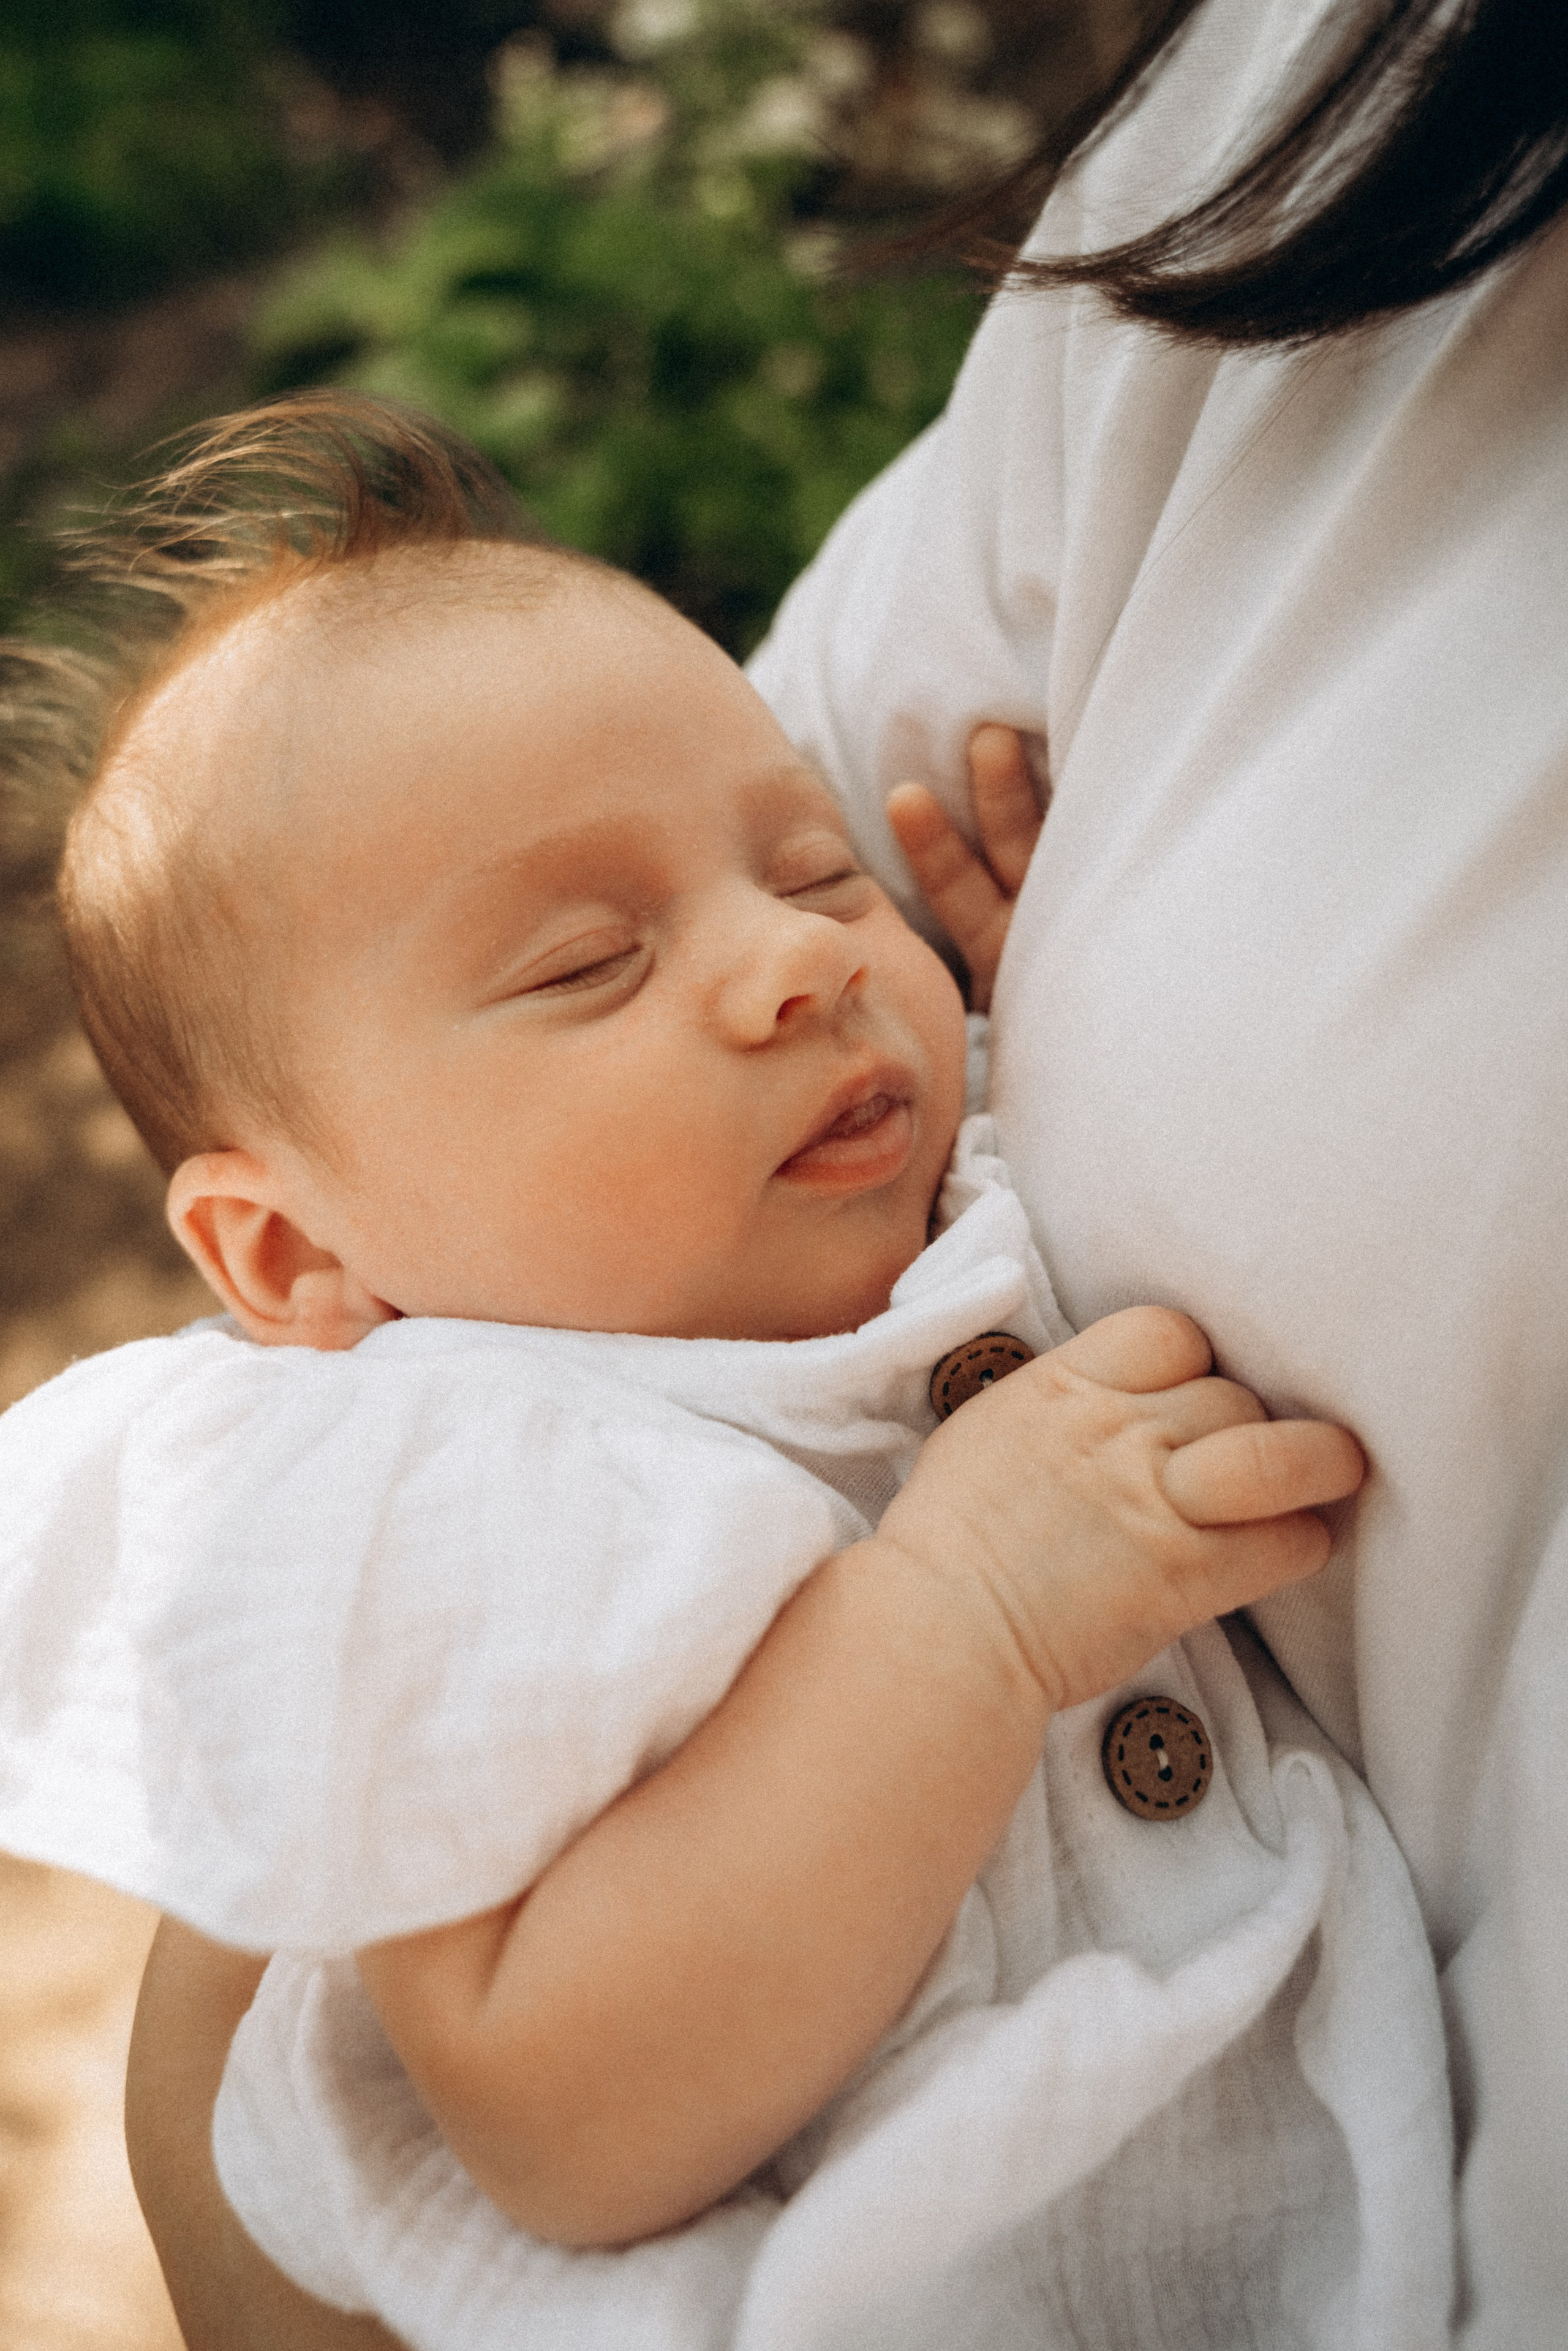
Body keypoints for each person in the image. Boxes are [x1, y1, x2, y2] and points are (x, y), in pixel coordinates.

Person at [116, 0, 1568, 2336]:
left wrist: (1016, 1006)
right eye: (591, 964)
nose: (794, 973)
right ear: (291, 1252)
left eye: (811, 873)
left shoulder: (872, 1241)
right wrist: (964, 1628)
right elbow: (563, 2116)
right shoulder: (443, 1487)